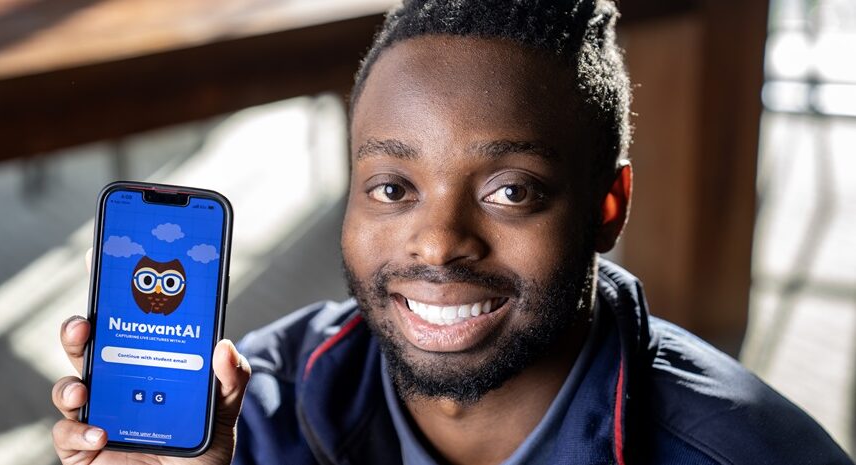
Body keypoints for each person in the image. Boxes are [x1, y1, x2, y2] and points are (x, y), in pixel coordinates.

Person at [50, 0, 852, 464]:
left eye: (510, 190)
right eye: (392, 187)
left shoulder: (751, 453)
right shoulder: (253, 409)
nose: (436, 244)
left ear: (609, 207)